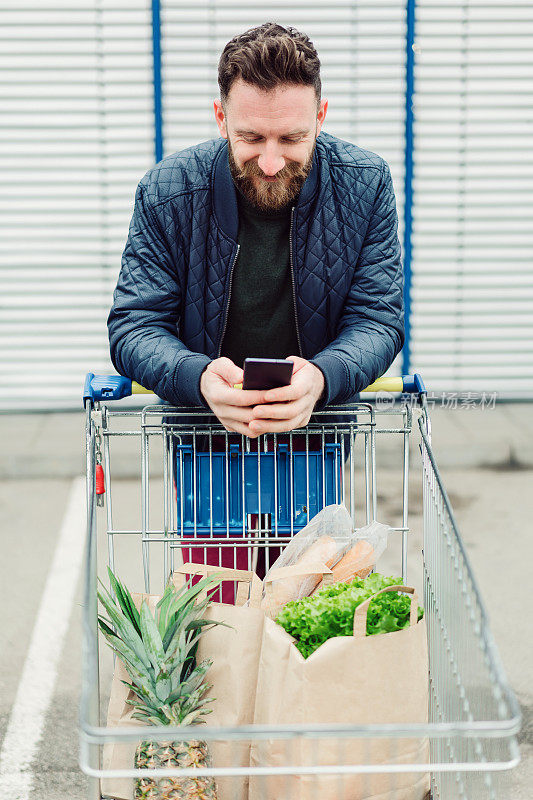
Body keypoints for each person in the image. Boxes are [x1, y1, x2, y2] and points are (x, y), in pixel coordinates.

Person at [107, 23, 404, 594]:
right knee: (219, 606)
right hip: (205, 440)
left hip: (316, 436)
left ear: (322, 115)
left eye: (291, 139)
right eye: (251, 138)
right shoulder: (169, 191)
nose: (271, 161)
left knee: (304, 613)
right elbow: (133, 326)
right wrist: (198, 379)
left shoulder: (365, 185)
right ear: (220, 118)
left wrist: (321, 376)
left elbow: (378, 317)